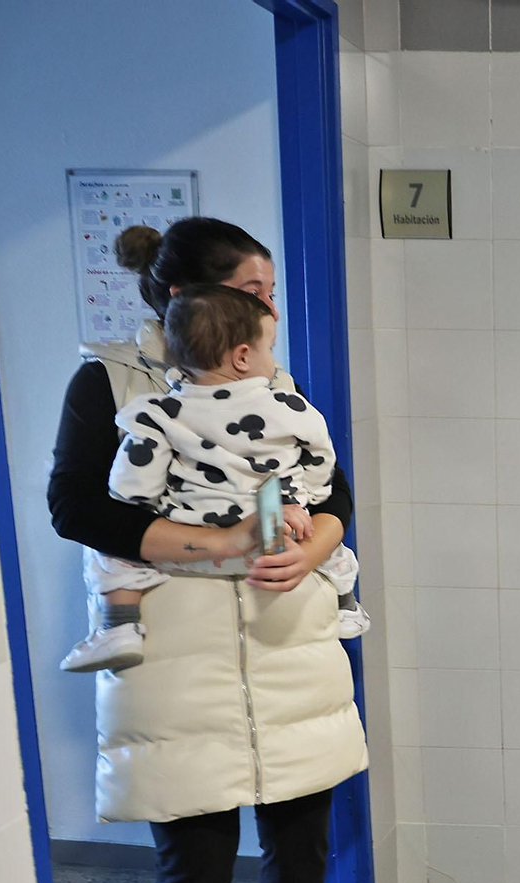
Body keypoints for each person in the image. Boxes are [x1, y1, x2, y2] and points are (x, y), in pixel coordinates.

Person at [47, 218, 372, 883]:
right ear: (192, 296)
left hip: (283, 640)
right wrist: (222, 546)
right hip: (175, 650)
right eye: (255, 291)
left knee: (302, 834)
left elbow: (334, 487)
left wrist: (317, 541)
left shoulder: (268, 375)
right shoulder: (111, 384)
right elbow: (80, 509)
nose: (269, 306)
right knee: (195, 855)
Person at [60, 283, 370, 673]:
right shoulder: (289, 405)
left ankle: (120, 626)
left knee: (110, 555)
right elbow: (322, 461)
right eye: (268, 348)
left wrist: (149, 510)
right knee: (335, 552)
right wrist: (306, 496)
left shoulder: (158, 413)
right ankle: (346, 608)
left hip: (183, 551)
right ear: (243, 356)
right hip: (276, 543)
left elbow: (133, 484)